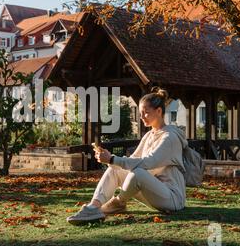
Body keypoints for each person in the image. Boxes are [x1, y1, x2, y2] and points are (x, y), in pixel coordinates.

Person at [67, 88, 187, 225]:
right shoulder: (149, 135)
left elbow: (147, 163)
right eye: (140, 113)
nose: (141, 117)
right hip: (154, 193)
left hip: (172, 199)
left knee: (138, 173)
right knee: (115, 170)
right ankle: (93, 207)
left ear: (159, 111)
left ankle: (118, 202)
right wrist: (109, 159)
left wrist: (113, 159)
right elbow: (134, 160)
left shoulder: (170, 137)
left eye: (146, 113)